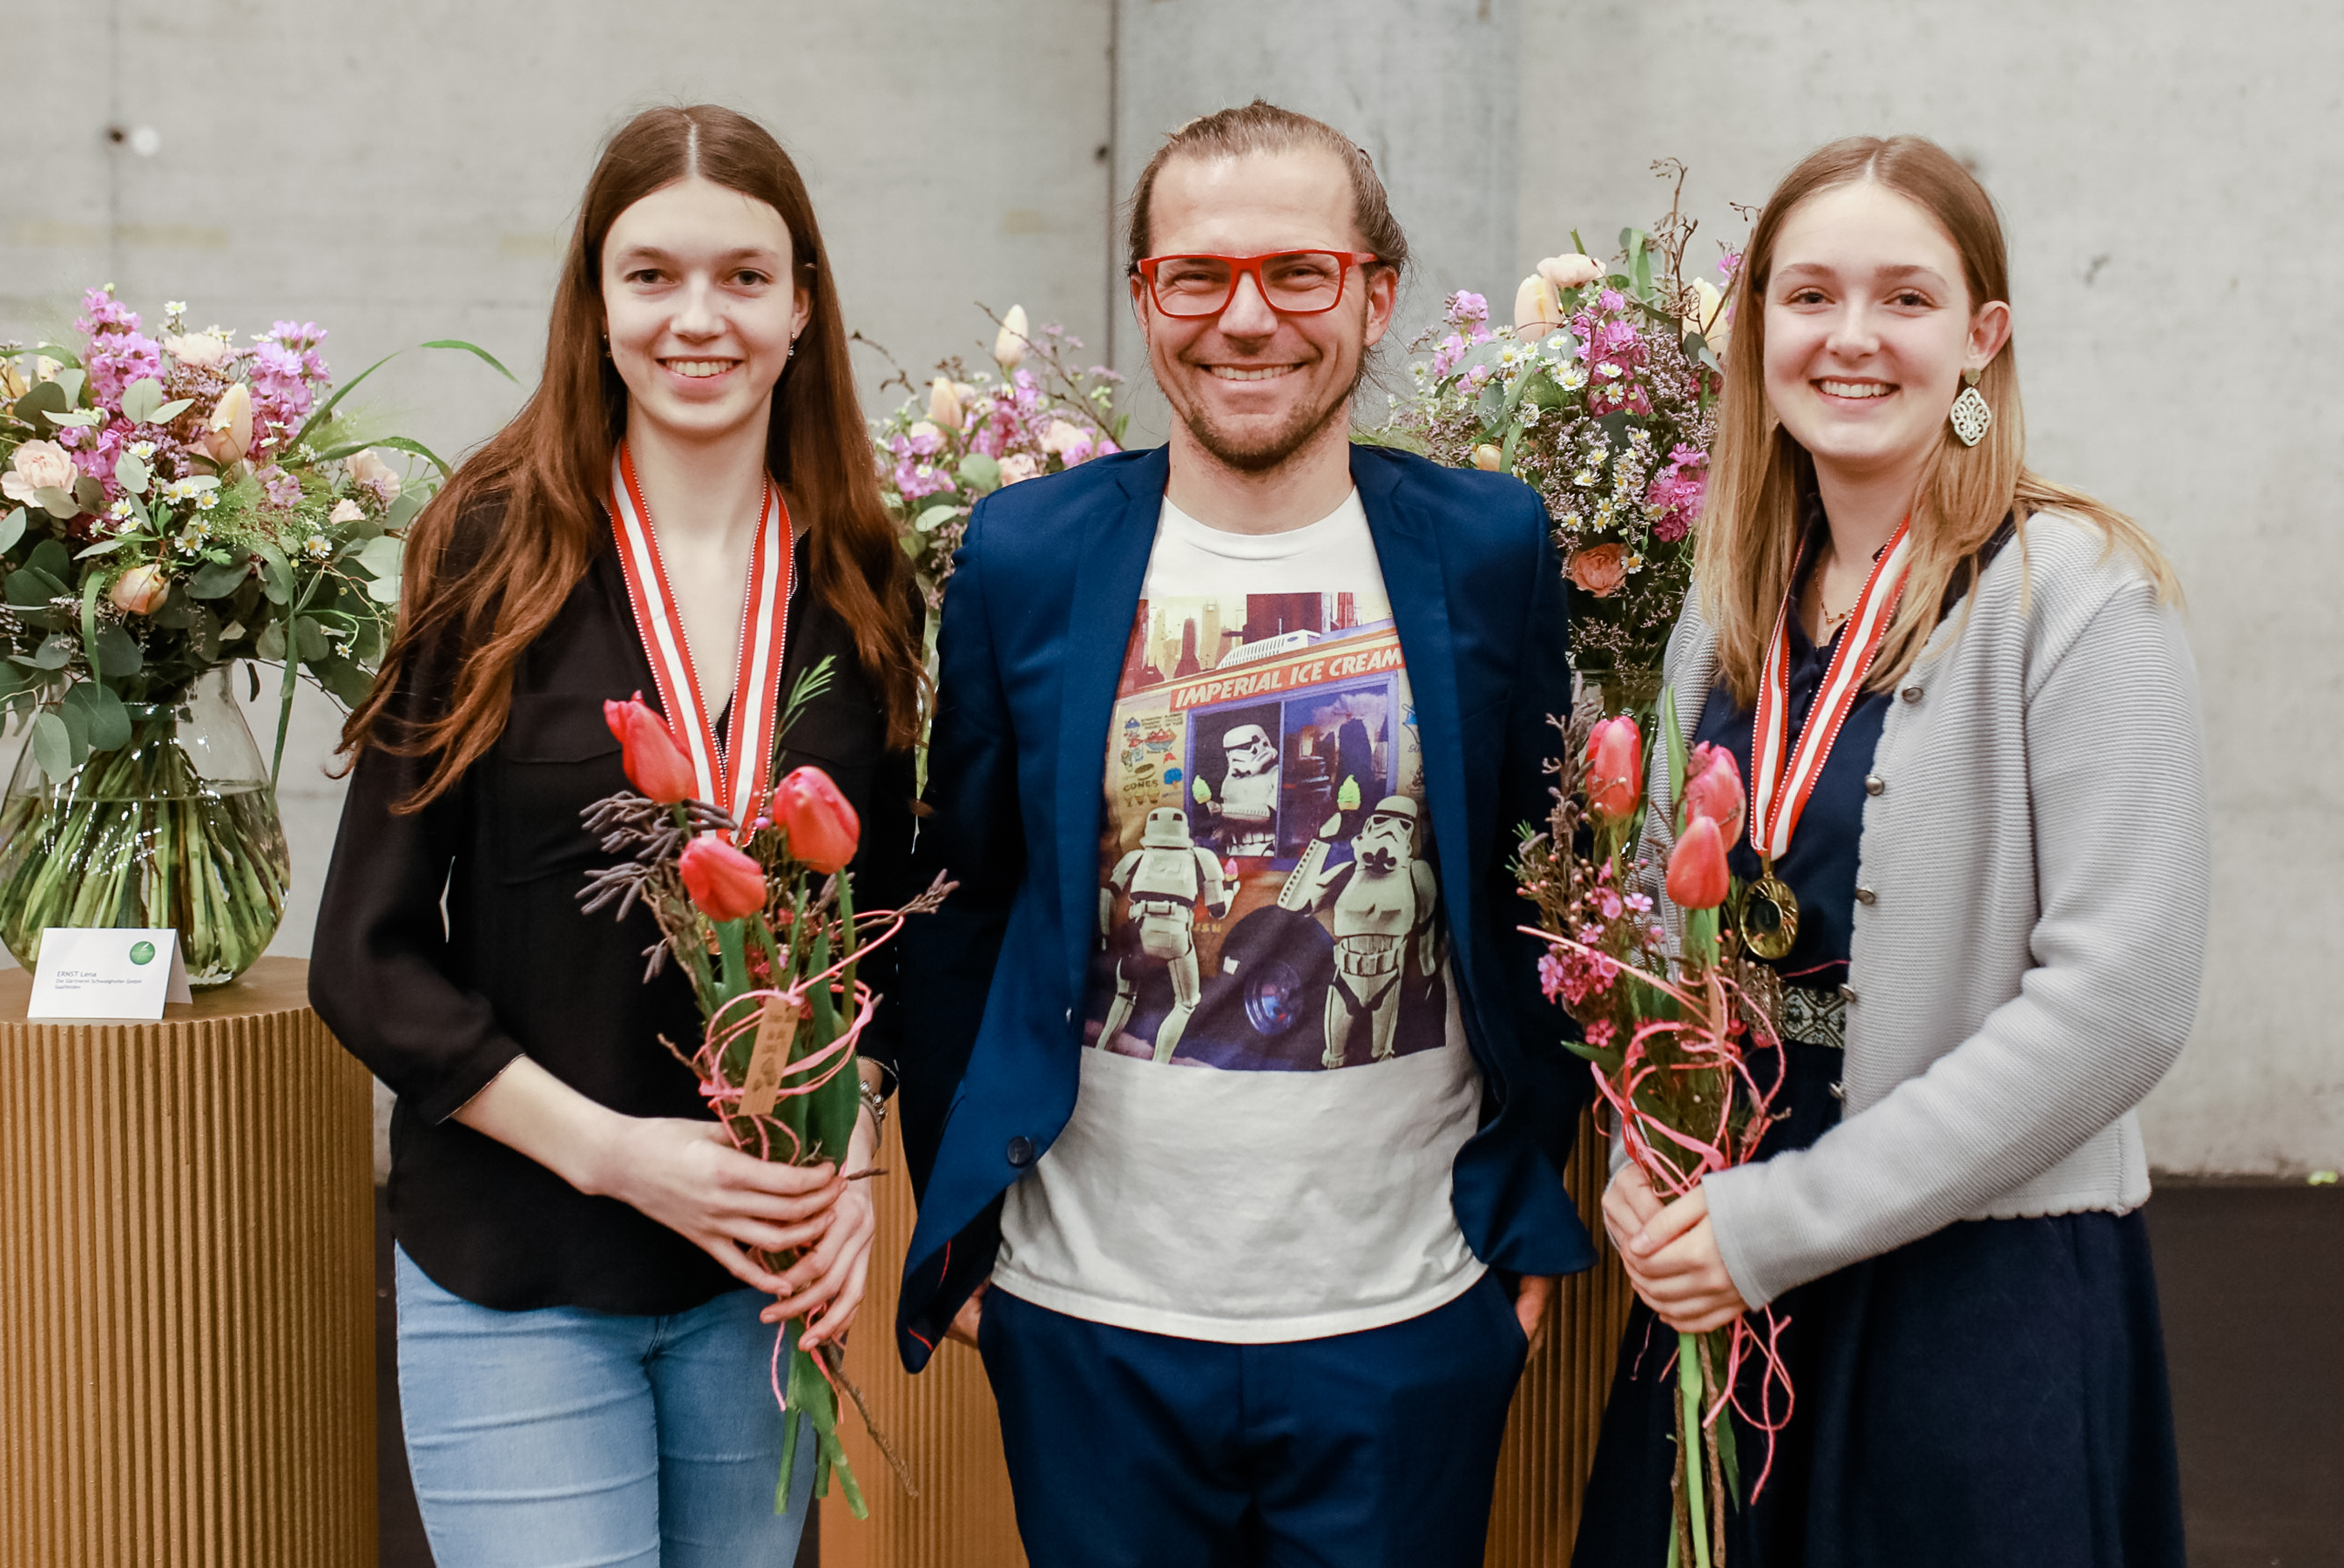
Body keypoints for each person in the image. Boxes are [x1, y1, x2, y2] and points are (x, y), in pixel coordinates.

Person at [893, 100, 1592, 1565]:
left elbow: (1546, 898)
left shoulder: (1488, 547)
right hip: (1090, 1320)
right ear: (1146, 297)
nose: (1246, 320)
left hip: (1405, 1317)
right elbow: (959, 906)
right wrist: (966, 1237)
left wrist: (1526, 1210)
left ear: (1376, 291)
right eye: (1196, 277)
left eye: (1299, 272)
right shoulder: (1026, 558)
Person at [1573, 135, 2206, 1567]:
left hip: (1969, 1294)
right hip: (1726, 1263)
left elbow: (2121, 1002)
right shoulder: (1726, 603)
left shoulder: (2081, 599)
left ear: (1982, 336)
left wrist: (1780, 1223)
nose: (1851, 339)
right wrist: (1641, 1143)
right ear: (1759, 329)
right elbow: (1664, 932)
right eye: (1810, 297)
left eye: (1906, 299)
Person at [310, 105, 919, 1566]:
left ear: (802, 306)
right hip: (521, 1270)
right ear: (595, 302)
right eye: (650, 276)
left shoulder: (860, 580)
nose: (696, 319)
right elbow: (365, 958)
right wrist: (614, 1157)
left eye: (743, 278)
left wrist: (849, 1169)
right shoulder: (492, 552)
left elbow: (893, 927)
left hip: (754, 1286)